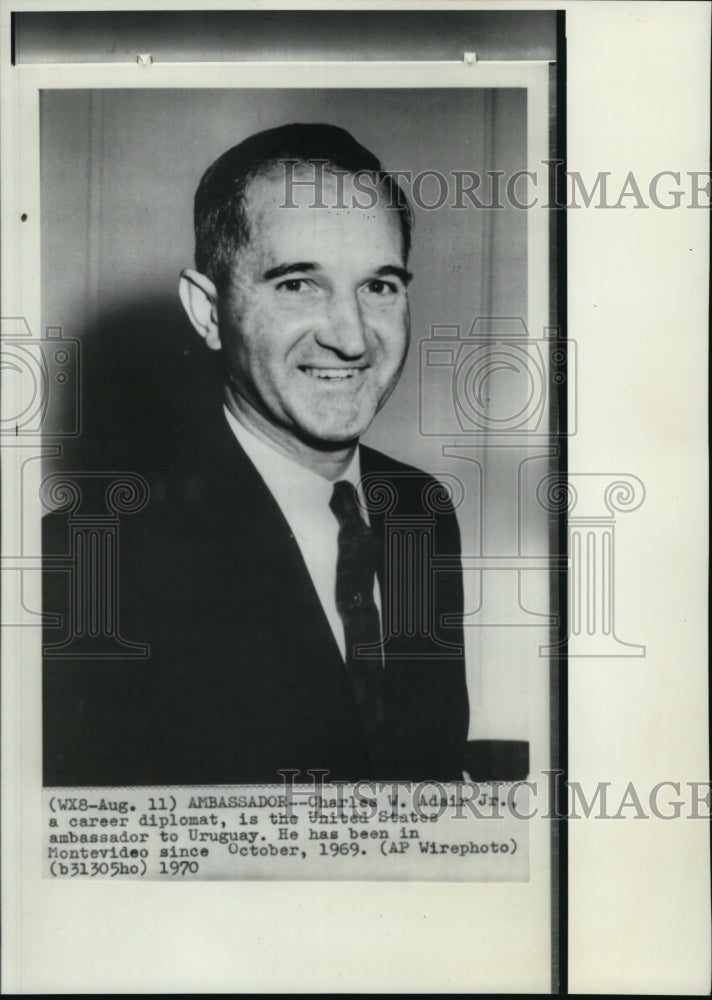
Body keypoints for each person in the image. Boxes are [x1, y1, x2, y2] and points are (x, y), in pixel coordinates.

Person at [42, 123, 469, 786]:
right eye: (299, 284)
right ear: (208, 312)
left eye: (379, 286)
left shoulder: (420, 509)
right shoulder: (96, 556)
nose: (352, 338)